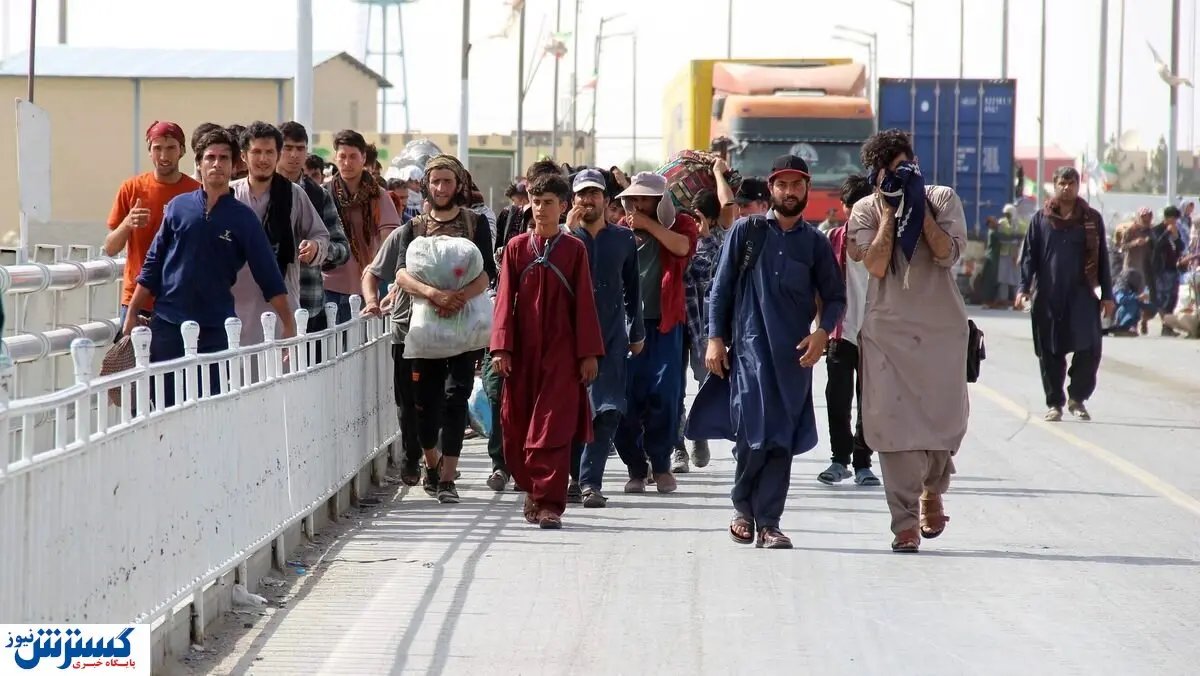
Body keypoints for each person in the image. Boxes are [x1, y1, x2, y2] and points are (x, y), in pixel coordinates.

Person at [694, 154, 846, 550]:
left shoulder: (815, 243)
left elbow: (834, 297)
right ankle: (743, 507)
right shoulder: (746, 232)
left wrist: (822, 333)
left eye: (797, 185)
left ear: (806, 190)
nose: (790, 192)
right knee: (752, 432)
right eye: (783, 185)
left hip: (793, 359)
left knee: (781, 440)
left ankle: (770, 523)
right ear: (772, 189)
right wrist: (715, 339)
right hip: (748, 353)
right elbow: (720, 289)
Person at [848, 128, 971, 553]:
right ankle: (904, 523)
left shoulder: (942, 198)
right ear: (878, 174)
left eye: (909, 165)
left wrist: (920, 209)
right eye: (895, 169)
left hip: (940, 328)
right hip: (888, 332)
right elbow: (877, 266)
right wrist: (889, 212)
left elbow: (948, 255)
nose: (906, 174)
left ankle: (932, 490)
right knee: (891, 424)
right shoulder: (863, 210)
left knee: (941, 419)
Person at [124, 128, 293, 407]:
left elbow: (269, 276)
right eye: (210, 158)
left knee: (209, 407)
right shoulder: (178, 207)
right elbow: (152, 264)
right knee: (164, 408)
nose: (217, 164)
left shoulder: (243, 218)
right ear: (199, 164)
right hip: (167, 323)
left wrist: (288, 323)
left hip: (216, 328)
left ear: (234, 164)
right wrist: (132, 313)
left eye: (224, 158)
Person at [491, 171, 605, 528]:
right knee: (516, 426)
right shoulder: (515, 248)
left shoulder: (574, 250)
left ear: (563, 206)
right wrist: (501, 347)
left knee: (552, 428)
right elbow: (504, 299)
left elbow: (585, 302)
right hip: (522, 352)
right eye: (536, 202)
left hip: (561, 352)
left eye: (548, 203)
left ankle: (550, 504)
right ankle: (532, 489)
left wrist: (587, 354)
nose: (540, 210)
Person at [390, 154, 496, 502]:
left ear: (458, 184)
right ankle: (431, 465)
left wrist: (459, 297)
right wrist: (433, 294)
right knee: (424, 404)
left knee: (455, 400)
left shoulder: (475, 224)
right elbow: (402, 273)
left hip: (464, 330)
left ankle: (448, 478)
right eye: (435, 181)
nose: (440, 188)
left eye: (447, 181)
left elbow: (487, 273)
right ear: (427, 185)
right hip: (425, 331)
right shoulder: (414, 227)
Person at [613, 172, 698, 494]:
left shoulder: (681, 225)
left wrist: (648, 226)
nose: (638, 203)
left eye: (646, 198)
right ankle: (636, 467)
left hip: (664, 325)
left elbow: (681, 248)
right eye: (634, 198)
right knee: (625, 399)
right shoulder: (619, 231)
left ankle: (661, 464)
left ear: (661, 201)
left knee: (666, 395)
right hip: (626, 328)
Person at [568, 169, 644, 507]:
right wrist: (566, 232)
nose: (588, 200)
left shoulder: (624, 239)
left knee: (609, 410)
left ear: (606, 200)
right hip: (568, 337)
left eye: (594, 194)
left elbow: (633, 290)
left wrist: (636, 331)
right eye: (581, 195)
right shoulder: (563, 239)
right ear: (573, 201)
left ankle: (589, 483)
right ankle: (571, 477)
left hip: (611, 336)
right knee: (570, 411)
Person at [1017, 166, 1115, 423]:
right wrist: (1023, 288)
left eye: (1071, 183)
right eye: (1062, 183)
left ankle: (1077, 398)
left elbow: (1102, 259)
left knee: (1090, 347)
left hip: (1082, 295)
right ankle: (1055, 403)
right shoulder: (1041, 219)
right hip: (1048, 296)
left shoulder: (1091, 219)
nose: (1066, 188)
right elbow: (1029, 257)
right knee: (1049, 352)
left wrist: (1107, 295)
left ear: (1078, 186)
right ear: (1054, 184)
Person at [230, 121, 330, 347]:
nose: (263, 159)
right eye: (256, 152)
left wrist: (314, 247)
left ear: (277, 155)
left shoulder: (294, 195)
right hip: (236, 308)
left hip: (282, 308)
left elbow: (321, 236)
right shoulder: (229, 195)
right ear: (244, 156)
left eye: (269, 152)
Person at [104, 121, 201, 328]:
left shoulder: (197, 192)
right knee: (135, 360)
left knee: (180, 361)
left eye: (171, 148)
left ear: (182, 151)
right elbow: (110, 248)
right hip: (136, 302)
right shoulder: (131, 188)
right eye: (157, 148)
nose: (164, 156)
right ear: (149, 151)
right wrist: (128, 223)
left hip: (182, 301)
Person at [818, 175, 880, 487]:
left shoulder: (884, 242)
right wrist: (820, 330)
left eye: (864, 208)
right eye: (851, 208)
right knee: (837, 398)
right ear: (843, 209)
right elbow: (820, 289)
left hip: (876, 335)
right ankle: (839, 459)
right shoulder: (831, 240)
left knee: (869, 400)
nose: (857, 214)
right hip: (840, 331)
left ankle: (863, 463)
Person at [322, 129, 402, 324]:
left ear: (363, 157)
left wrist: (377, 273)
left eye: (353, 157)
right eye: (342, 157)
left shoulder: (378, 195)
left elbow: (389, 241)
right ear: (335, 158)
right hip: (329, 283)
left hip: (367, 287)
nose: (347, 163)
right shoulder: (324, 193)